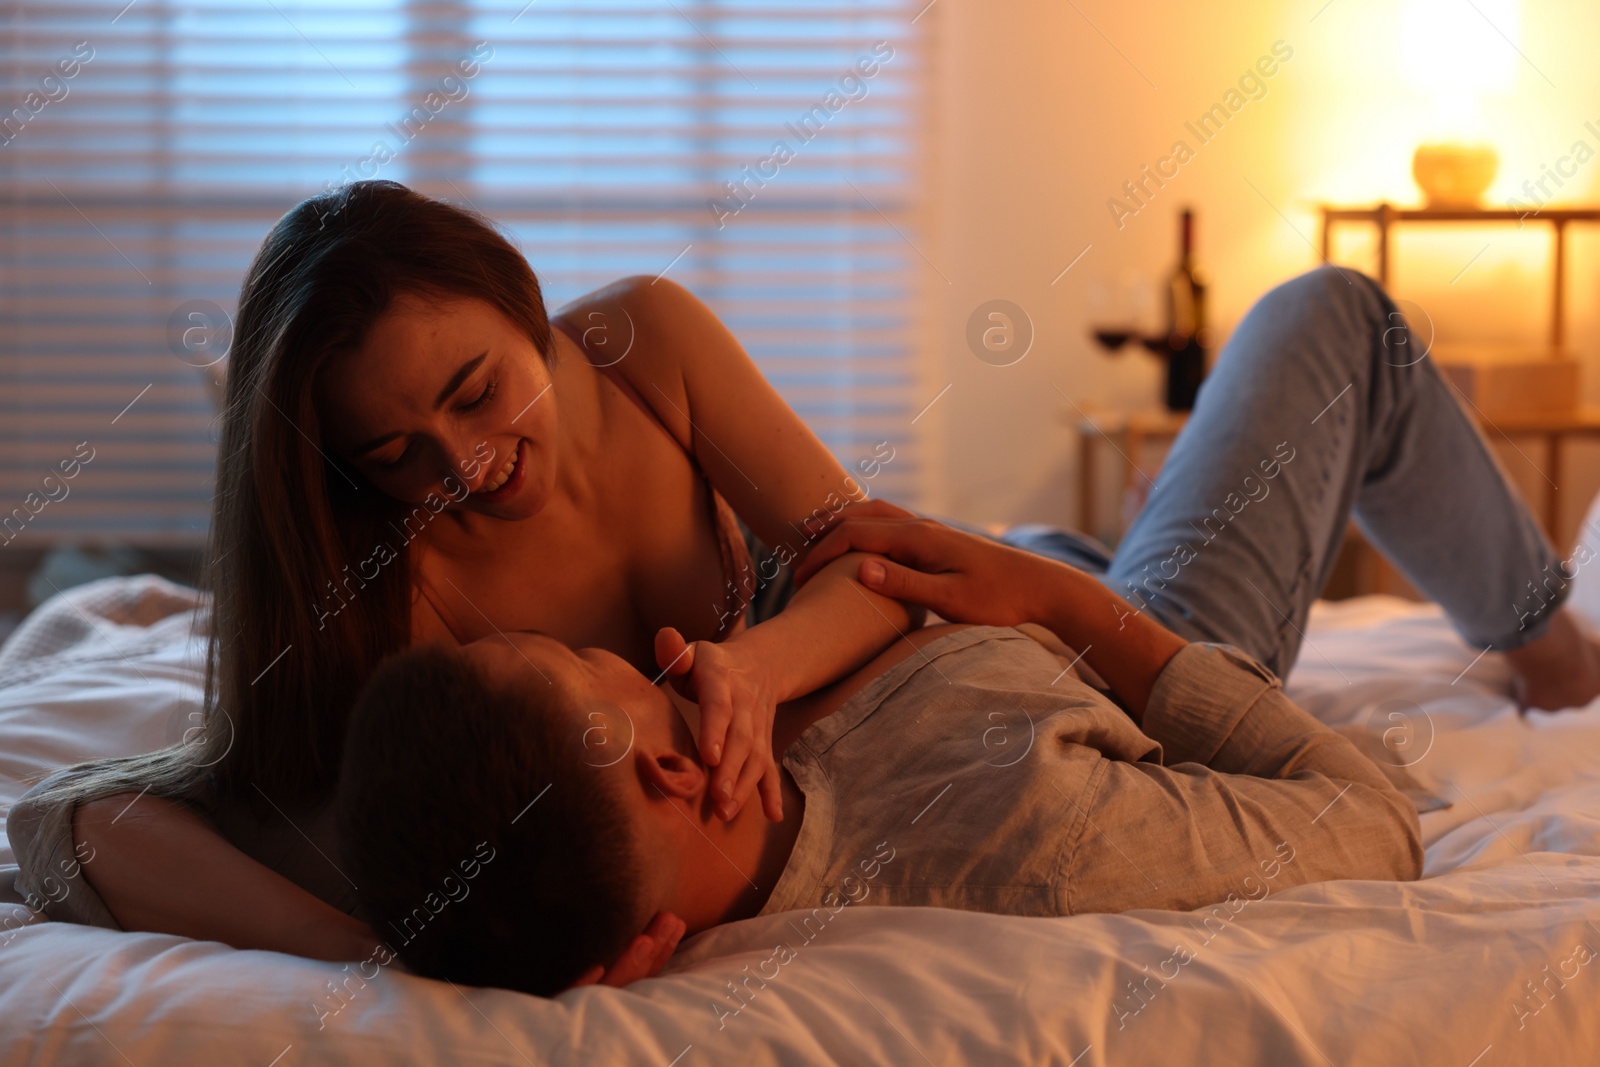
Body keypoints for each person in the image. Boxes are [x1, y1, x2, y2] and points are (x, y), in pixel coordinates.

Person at [334, 264, 1600, 996]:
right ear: (664, 768)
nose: (646, 641)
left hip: (1002, 577)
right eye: (587, 653)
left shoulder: (703, 743)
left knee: (1150, 499)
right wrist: (1056, 600)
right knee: (1337, 321)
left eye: (480, 388)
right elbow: (1369, 821)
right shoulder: (1035, 834)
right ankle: (1557, 657)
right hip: (1095, 625)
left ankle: (1143, 522)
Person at [6, 180, 922, 979]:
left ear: (519, 298)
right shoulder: (395, 593)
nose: (468, 465)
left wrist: (758, 665)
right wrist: (386, 959)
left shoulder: (647, 343)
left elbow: (879, 566)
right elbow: (67, 823)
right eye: (399, 452)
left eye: (477, 393)